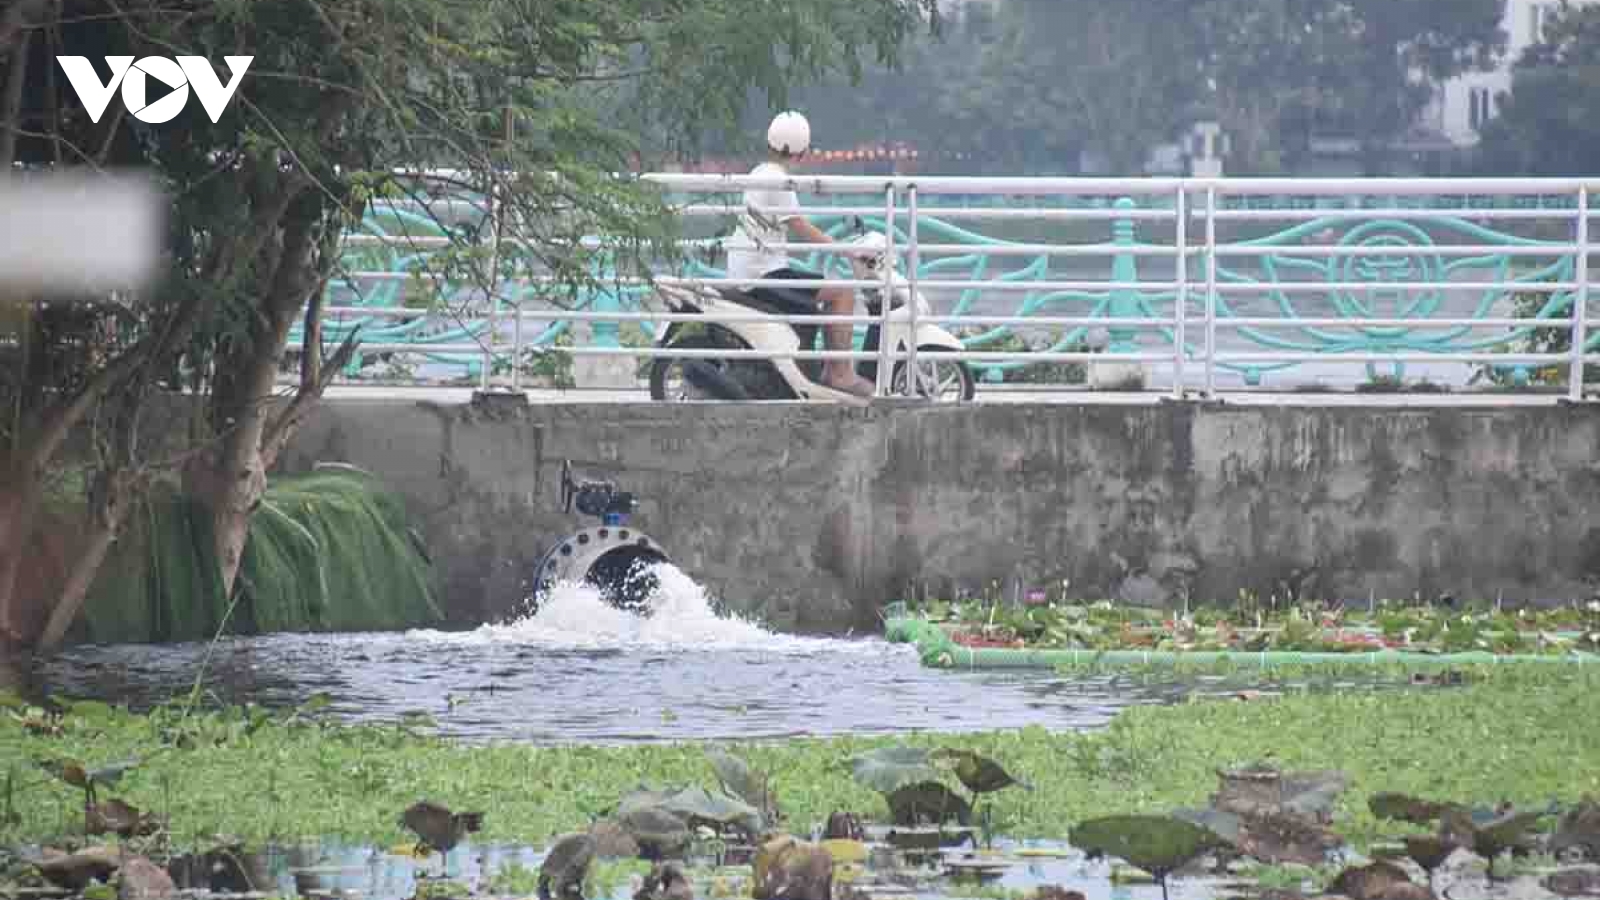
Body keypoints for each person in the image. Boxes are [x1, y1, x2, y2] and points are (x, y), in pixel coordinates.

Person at [724, 111, 875, 397]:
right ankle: (840, 375)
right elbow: (801, 227)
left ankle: (827, 371)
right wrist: (847, 252)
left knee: (827, 290)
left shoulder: (760, 173)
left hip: (750, 271)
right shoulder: (779, 181)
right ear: (802, 150)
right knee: (842, 292)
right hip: (764, 276)